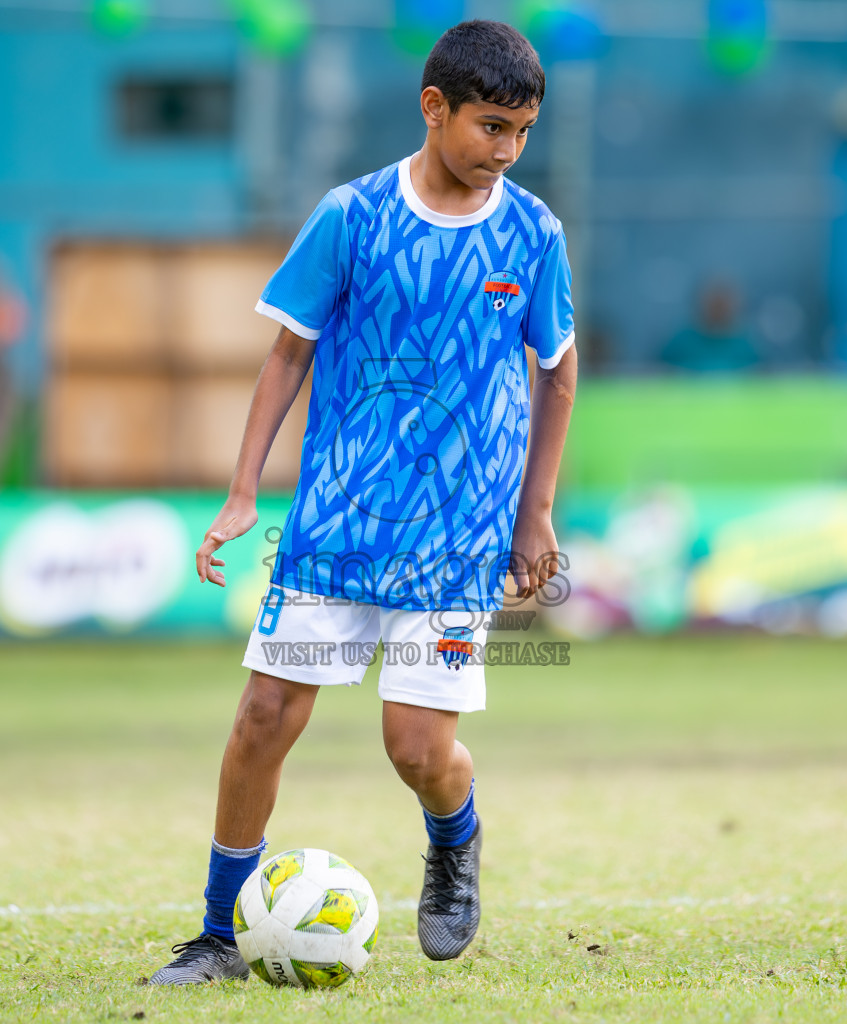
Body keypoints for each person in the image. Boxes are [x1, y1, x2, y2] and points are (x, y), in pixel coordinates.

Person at [145, 20, 576, 983]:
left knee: (418, 747)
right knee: (265, 715)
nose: (506, 151)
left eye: (522, 132)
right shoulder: (354, 215)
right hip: (339, 524)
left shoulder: (533, 233)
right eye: (491, 127)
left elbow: (557, 372)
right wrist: (241, 491)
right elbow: (289, 352)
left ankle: (453, 841)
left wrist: (535, 514)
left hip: (459, 536)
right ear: (435, 108)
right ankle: (219, 934)